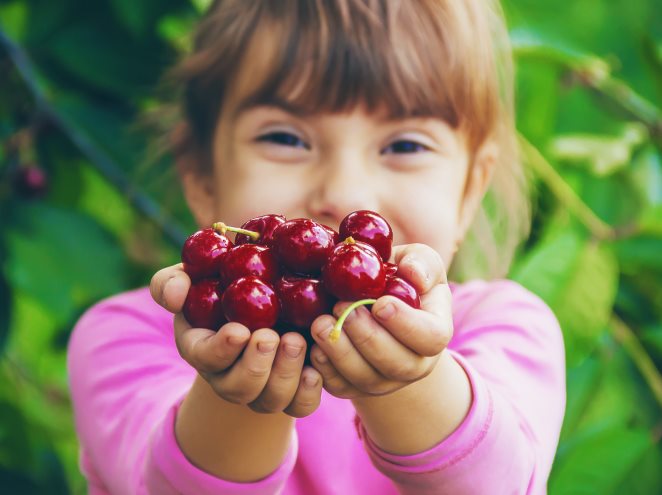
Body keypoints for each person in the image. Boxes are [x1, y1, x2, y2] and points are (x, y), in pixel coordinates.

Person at [67, 0, 566, 493]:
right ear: (200, 176)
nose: (344, 194)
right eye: (286, 138)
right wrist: (239, 385)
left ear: (470, 192)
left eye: (405, 146)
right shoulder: (123, 337)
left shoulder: (507, 326)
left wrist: (409, 377)